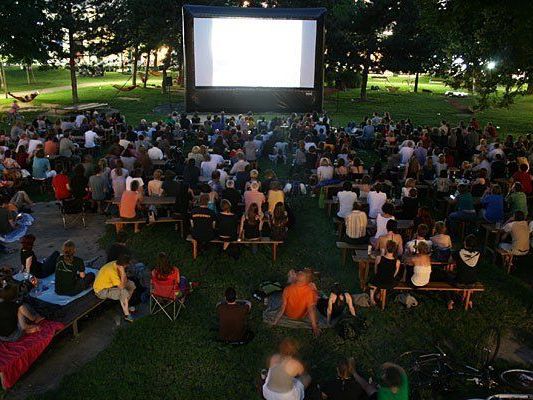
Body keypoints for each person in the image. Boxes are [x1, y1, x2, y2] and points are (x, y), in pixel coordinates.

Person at [273, 269, 319, 336]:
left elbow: (283, 307)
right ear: (307, 281)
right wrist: (314, 327)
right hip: (301, 316)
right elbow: (311, 310)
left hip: (288, 313)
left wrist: (275, 321)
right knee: (314, 296)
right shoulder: (310, 292)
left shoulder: (287, 289)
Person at [93, 254, 136, 322]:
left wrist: (123, 274)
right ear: (124, 265)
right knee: (123, 292)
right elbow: (121, 287)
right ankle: (127, 315)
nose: (127, 267)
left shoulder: (117, 264)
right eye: (126, 266)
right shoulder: (112, 271)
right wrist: (122, 273)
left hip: (110, 285)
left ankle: (125, 305)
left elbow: (125, 280)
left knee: (131, 285)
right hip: (101, 291)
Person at [369, 240, 401, 305]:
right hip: (390, 282)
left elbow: (375, 270)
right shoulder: (397, 261)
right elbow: (395, 274)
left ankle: (372, 299)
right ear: (395, 250)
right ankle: (380, 294)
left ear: (386, 248)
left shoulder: (378, 258)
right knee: (385, 279)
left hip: (379, 280)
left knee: (372, 281)